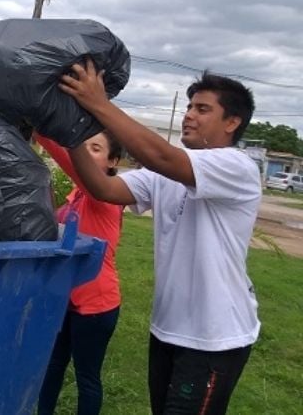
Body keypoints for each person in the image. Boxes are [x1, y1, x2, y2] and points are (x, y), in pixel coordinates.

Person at [58, 59, 260, 415]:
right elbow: (102, 187)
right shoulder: (163, 175)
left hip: (214, 336)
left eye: (202, 109)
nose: (189, 115)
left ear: (232, 122)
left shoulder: (237, 166)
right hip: (168, 329)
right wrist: (69, 130)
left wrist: (98, 103)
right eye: (188, 107)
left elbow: (160, 155)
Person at [36, 130, 125, 415]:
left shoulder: (106, 198)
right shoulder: (76, 197)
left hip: (96, 304)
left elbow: (70, 163)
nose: (85, 154)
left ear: (113, 162)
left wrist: (40, 128)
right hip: (66, 298)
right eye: (84, 147)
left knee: (87, 377)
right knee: (52, 366)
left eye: (95, 149)